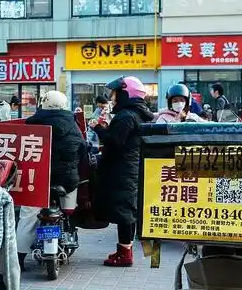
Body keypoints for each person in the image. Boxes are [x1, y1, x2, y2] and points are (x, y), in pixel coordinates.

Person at [89, 76, 154, 267]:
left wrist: (100, 129)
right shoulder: (138, 113)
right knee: (127, 210)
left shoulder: (126, 116)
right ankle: (123, 250)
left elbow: (114, 142)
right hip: (131, 167)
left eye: (116, 94)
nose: (113, 98)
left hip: (122, 169)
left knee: (125, 212)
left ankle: (125, 255)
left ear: (127, 94)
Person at [17, 91, 84, 270]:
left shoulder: (32, 124)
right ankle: (68, 232)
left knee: (27, 216)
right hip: (67, 181)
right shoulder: (73, 125)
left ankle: (19, 257)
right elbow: (83, 150)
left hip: (37, 180)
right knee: (69, 210)